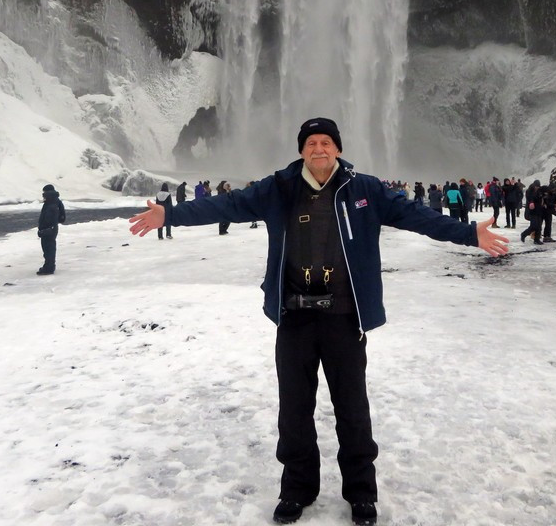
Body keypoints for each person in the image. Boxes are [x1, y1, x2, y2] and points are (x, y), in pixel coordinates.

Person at [127, 117, 509, 526]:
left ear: (339, 149)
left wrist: (470, 234)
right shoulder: (279, 187)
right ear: (302, 150)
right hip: (294, 318)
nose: (319, 148)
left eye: (326, 142)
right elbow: (227, 204)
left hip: (345, 317)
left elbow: (418, 217)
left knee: (352, 409)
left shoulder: (365, 189)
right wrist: (169, 215)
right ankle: (296, 489)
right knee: (293, 410)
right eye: (311, 142)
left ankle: (361, 493)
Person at [36, 183, 65, 275]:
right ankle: (49, 266)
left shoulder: (50, 203)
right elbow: (62, 217)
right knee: (49, 248)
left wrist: (45, 229)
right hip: (51, 229)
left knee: (48, 249)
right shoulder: (56, 201)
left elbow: (49, 218)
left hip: (48, 230)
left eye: (44, 192)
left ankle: (49, 268)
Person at [521, 180, 544, 244]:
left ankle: (537, 239)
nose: (537, 188)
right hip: (532, 211)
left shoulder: (540, 191)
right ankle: (524, 234)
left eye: (538, 187)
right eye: (536, 186)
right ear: (534, 185)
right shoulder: (529, 191)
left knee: (539, 226)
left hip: (539, 210)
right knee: (533, 226)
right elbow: (530, 199)